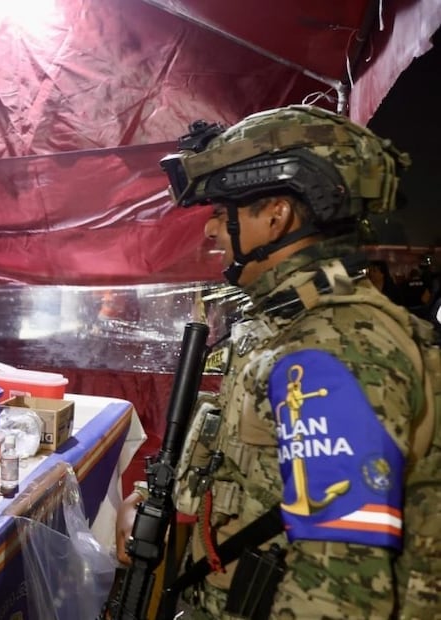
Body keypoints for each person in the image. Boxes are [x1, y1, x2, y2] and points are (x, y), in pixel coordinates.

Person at [115, 105, 440, 617]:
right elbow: (251, 473)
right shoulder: (287, 323)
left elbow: (338, 595)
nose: (211, 231)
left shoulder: (333, 349)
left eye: (223, 212)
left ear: (277, 216)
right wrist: (158, 497)